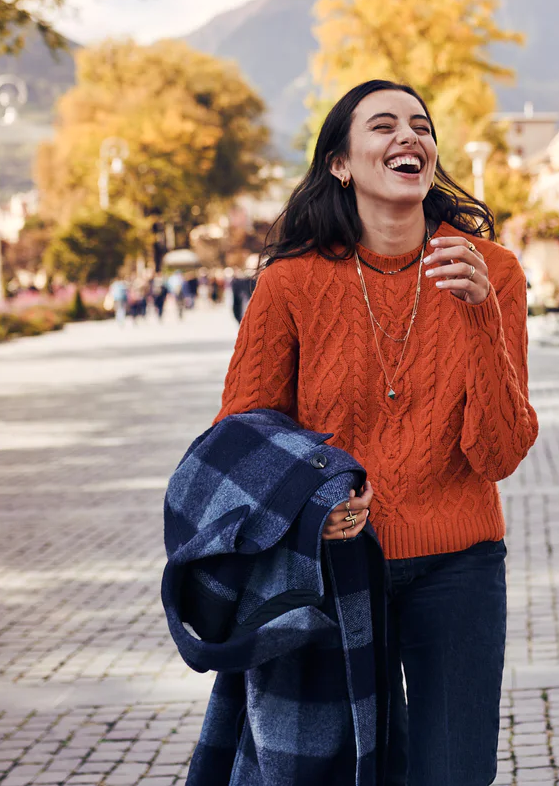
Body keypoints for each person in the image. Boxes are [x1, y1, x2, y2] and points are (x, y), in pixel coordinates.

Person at [215, 79, 538, 786]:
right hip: (331, 571)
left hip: (459, 565)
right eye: (384, 124)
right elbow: (241, 438)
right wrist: (309, 504)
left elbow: (501, 450)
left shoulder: (496, 272)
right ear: (341, 162)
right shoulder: (292, 283)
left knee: (454, 773)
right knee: (339, 773)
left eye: (421, 125)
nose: (409, 137)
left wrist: (482, 317)